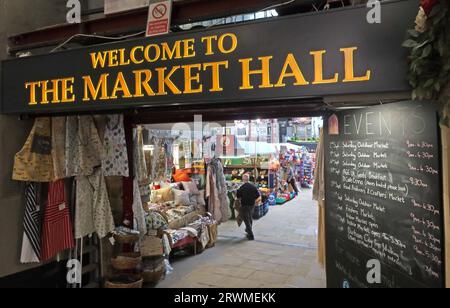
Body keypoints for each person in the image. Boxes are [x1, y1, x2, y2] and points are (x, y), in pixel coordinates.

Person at [237, 173, 260, 240]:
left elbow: (238, 196)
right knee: (250, 218)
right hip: (251, 205)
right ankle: (248, 230)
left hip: (244, 206)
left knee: (246, 220)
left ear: (243, 179)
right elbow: (258, 196)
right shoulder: (253, 187)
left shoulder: (241, 187)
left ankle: (251, 235)